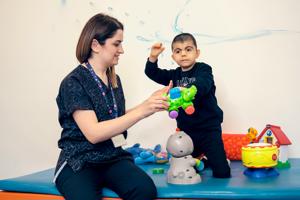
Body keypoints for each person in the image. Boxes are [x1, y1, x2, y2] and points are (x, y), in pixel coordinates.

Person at [54, 13, 171, 200]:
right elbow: (94, 133)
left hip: (111, 157)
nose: (121, 50)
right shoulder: (73, 82)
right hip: (80, 162)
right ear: (95, 45)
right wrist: (142, 111)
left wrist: (150, 105)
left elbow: (113, 116)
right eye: (116, 44)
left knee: (145, 190)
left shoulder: (114, 79)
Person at [144, 33, 231, 178]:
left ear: (197, 53)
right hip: (187, 132)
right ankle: (201, 160)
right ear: (173, 57)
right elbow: (152, 72)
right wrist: (153, 57)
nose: (183, 54)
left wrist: (190, 90)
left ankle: (211, 160)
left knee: (222, 172)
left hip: (209, 130)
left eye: (188, 49)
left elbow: (204, 84)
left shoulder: (204, 69)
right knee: (185, 169)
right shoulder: (174, 75)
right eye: (178, 51)